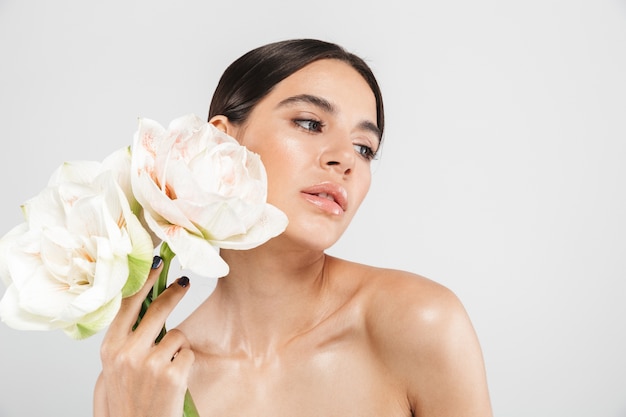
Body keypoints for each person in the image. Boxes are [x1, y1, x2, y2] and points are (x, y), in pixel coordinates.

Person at [94, 38, 493, 417]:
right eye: (309, 123)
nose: (345, 160)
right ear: (220, 142)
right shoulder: (144, 376)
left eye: (364, 148)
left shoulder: (420, 323)